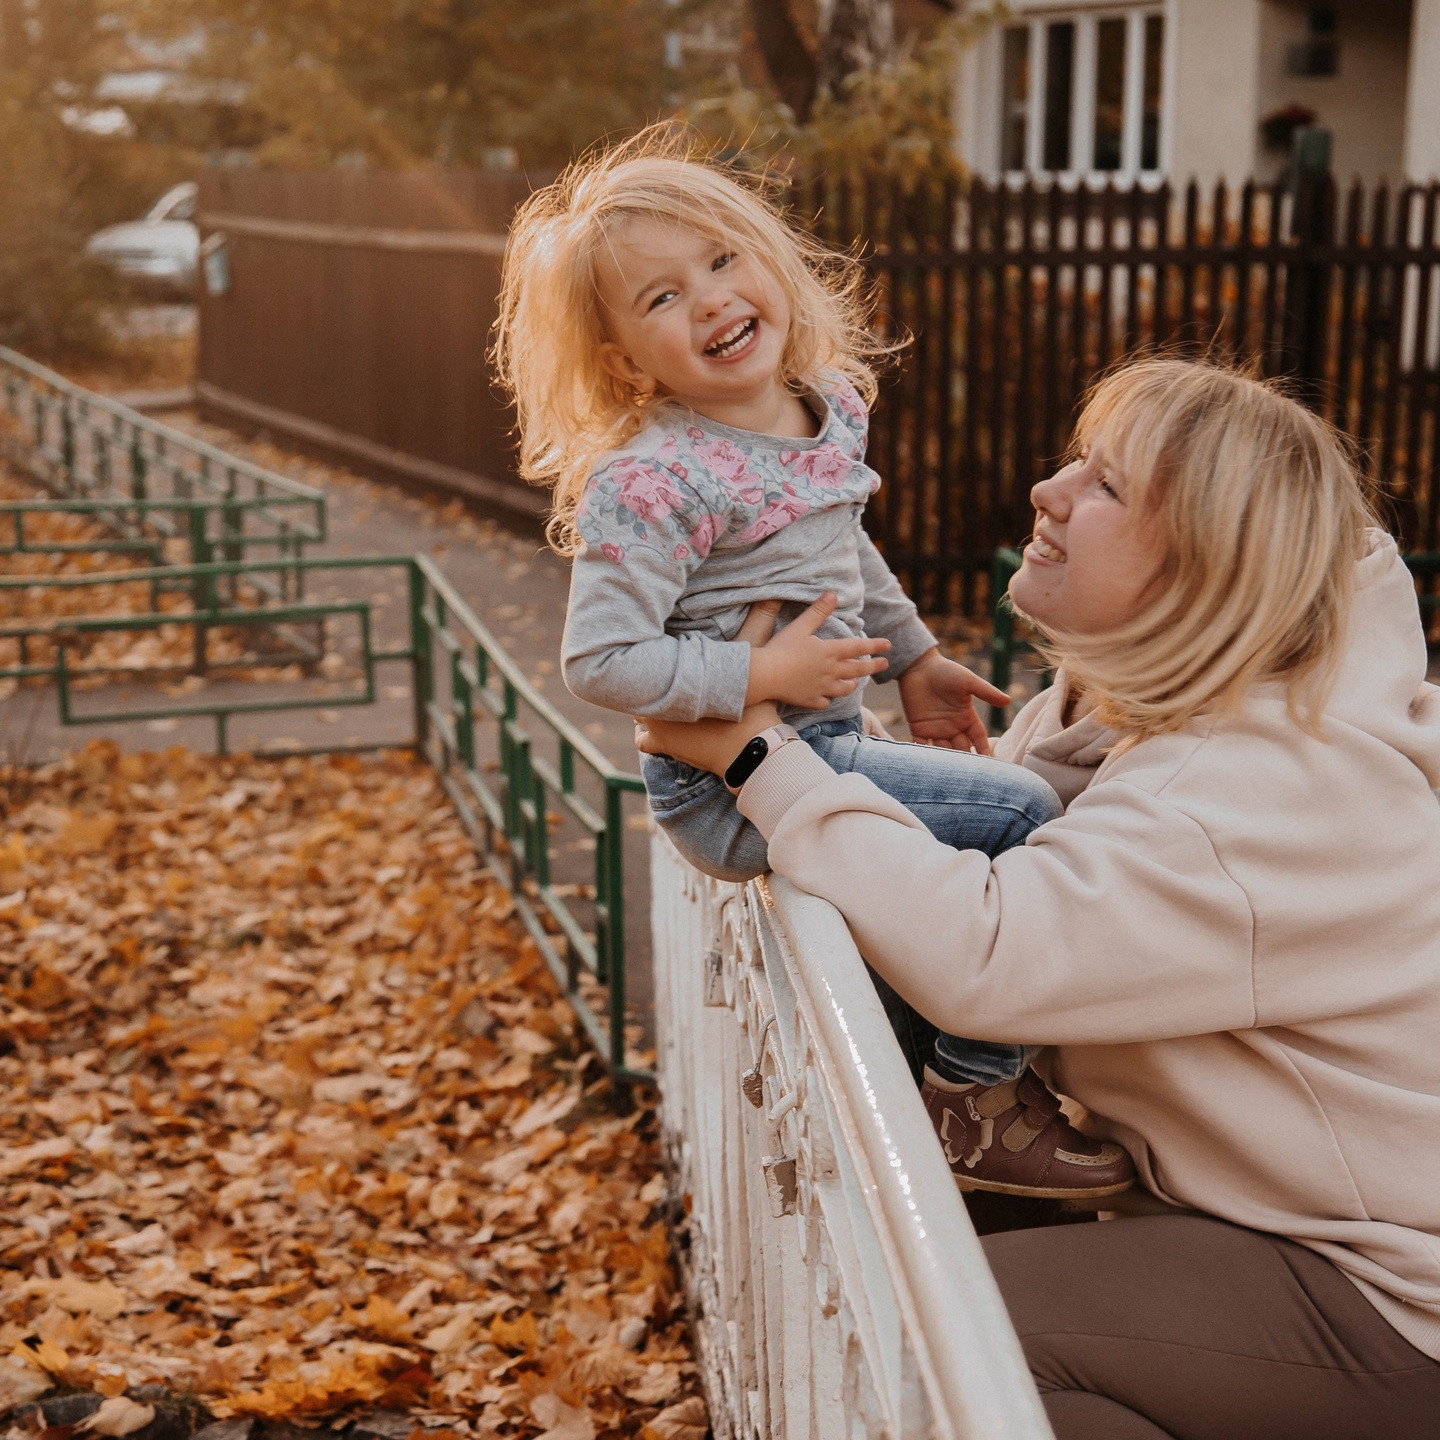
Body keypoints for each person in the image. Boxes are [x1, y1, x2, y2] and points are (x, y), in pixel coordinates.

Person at [635, 358, 1440, 1438]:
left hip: (1386, 1294)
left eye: (1105, 487)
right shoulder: (1148, 720)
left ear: (1205, 565)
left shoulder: (1266, 784)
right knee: (957, 1298)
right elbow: (1026, 854)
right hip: (1277, 1227)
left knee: (960, 1337)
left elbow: (988, 954)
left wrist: (759, 762)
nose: (1048, 493)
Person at [492, 127, 1134, 1203]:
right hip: (725, 781)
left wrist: (917, 659)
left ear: (768, 262)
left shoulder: (824, 408)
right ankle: (973, 1095)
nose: (706, 300)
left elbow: (842, 546)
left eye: (720, 260)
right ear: (621, 362)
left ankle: (897, 1096)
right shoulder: (655, 482)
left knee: (938, 869)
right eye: (658, 300)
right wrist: (759, 679)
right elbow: (601, 662)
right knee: (1022, 813)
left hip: (822, 737)